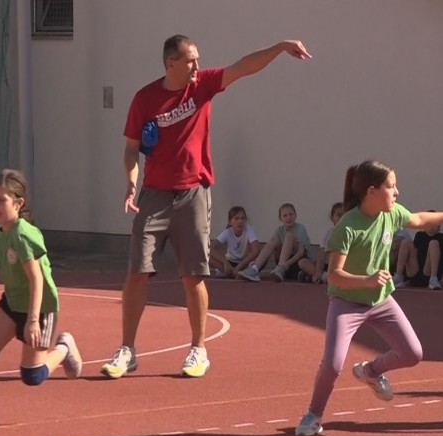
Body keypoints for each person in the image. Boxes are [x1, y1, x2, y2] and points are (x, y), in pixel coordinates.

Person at [103, 35, 311, 380]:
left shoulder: (203, 86)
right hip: (153, 195)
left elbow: (243, 67)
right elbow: (131, 148)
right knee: (137, 272)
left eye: (199, 59)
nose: (197, 66)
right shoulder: (145, 98)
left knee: (194, 274)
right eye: (190, 61)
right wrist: (130, 180)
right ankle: (128, 349)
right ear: (171, 64)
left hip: (193, 194)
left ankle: (198, 349)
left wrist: (277, 47)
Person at [294, 160, 443, 436]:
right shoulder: (347, 226)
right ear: (372, 191)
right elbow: (334, 275)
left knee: (412, 353)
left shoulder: (391, 214)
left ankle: (371, 371)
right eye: (391, 186)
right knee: (333, 364)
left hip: (381, 300)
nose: (397, 192)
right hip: (346, 303)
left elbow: (419, 219)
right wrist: (366, 280)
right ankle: (313, 415)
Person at [0, 169, 82, 432]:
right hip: (12, 303)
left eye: (1, 200)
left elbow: (36, 279)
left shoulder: (24, 235)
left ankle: (64, 347)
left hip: (41, 308)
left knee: (32, 376)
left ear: (18, 203)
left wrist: (33, 321)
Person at [238, 202, 312, 282]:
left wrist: (286, 264)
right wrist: (256, 261)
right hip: (283, 265)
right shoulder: (279, 230)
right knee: (274, 239)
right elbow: (270, 248)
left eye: (291, 214)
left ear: (295, 216)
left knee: (289, 236)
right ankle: (255, 268)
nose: (288, 218)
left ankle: (280, 268)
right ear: (280, 218)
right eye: (285, 215)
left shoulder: (300, 228)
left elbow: (301, 252)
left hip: (297, 263)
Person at [392, 214, 443, 290]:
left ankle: (433, 279)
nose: (431, 227)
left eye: (434, 224)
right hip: (415, 274)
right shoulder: (419, 235)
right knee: (405, 242)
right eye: (428, 224)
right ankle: (398, 276)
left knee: (433, 243)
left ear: (439, 226)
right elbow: (413, 255)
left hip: (429, 274)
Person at [209, 206, 259, 278]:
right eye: (236, 218)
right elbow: (211, 248)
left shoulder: (249, 230)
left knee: (262, 259)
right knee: (207, 257)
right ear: (230, 222)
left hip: (244, 263)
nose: (240, 221)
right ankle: (230, 271)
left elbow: (256, 250)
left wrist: (239, 266)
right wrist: (226, 263)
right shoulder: (227, 232)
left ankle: (234, 272)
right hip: (230, 261)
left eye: (242, 218)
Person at [301, 201, 345, 284]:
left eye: (344, 215)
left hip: (340, 266)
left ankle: (322, 278)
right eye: (339, 215)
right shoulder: (328, 233)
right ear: (332, 217)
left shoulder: (350, 233)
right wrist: (318, 272)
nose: (342, 218)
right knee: (302, 262)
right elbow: (321, 253)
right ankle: (323, 276)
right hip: (326, 264)